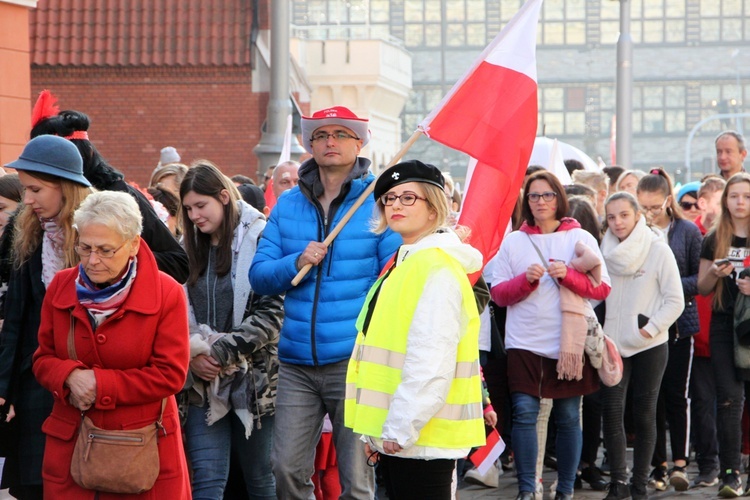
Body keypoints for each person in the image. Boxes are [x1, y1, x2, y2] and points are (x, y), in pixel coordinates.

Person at [249, 106, 401, 498]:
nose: (329, 141)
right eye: (320, 135)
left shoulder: (379, 203)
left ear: (359, 142)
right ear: (309, 144)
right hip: (297, 361)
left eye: (340, 133)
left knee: (356, 479)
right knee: (285, 468)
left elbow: (395, 277)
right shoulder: (287, 206)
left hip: (353, 362)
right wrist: (296, 261)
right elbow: (260, 276)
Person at [32, 190, 191, 499]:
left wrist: (100, 384)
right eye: (85, 247)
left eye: (105, 250)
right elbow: (41, 359)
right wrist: (68, 376)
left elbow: (170, 375)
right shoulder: (61, 286)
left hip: (143, 451)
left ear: (132, 244)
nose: (92, 260)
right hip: (71, 446)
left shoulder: (166, 293)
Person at [344, 159, 485, 499]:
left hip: (419, 439)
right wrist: (377, 435)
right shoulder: (406, 261)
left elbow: (431, 359)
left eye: (408, 197)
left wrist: (398, 428)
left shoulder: (436, 269)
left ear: (434, 208)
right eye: (389, 198)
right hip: (401, 436)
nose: (394, 205)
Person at [492, 170, 611, 500]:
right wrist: (525, 282)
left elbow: (602, 288)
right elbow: (498, 294)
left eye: (547, 195)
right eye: (533, 196)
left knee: (569, 416)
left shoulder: (579, 237)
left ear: (559, 198)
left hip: (567, 344)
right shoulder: (515, 241)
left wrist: (569, 276)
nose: (540, 202)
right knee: (525, 413)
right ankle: (528, 490)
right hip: (524, 342)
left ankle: (566, 491)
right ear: (525, 202)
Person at [180, 162, 283, 499]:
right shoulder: (186, 248)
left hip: (252, 381)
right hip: (200, 382)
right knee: (207, 481)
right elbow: (177, 311)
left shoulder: (262, 237)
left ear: (224, 197)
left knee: (259, 478)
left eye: (201, 205)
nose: (194, 215)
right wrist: (194, 354)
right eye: (188, 209)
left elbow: (272, 312)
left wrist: (220, 353)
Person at [0, 135, 93, 499]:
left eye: (35, 189)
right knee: (36, 487)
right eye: (24, 190)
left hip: (88, 387)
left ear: (65, 187)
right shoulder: (30, 235)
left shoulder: (98, 235)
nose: (27, 200)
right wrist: (3, 391)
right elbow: (16, 320)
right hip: (35, 384)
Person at [30, 103, 189, 283]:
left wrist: (118, 256)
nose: (29, 198)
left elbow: (178, 263)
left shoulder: (120, 196)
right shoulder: (31, 213)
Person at [599, 191, 684, 500]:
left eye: (624, 215)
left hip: (649, 344)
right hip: (612, 345)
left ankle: (639, 484)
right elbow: (598, 294)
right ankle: (618, 483)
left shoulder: (658, 250)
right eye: (611, 216)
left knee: (645, 413)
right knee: (612, 411)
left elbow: (675, 300)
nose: (617, 222)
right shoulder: (603, 249)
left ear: (638, 215)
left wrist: (648, 330)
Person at [635, 169, 702, 492]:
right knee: (652, 398)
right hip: (646, 324)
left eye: (654, 207)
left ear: (667, 201)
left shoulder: (686, 231)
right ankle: (657, 464)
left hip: (679, 324)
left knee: (677, 394)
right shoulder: (637, 232)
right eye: (642, 207)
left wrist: (669, 287)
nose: (648, 214)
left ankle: (680, 463)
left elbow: (698, 280)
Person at [697, 173, 750, 497]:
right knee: (729, 400)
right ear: (725, 200)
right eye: (734, 196)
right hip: (722, 323)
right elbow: (701, 287)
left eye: (746, 196)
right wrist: (715, 273)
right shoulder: (714, 237)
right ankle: (729, 473)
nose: (740, 202)